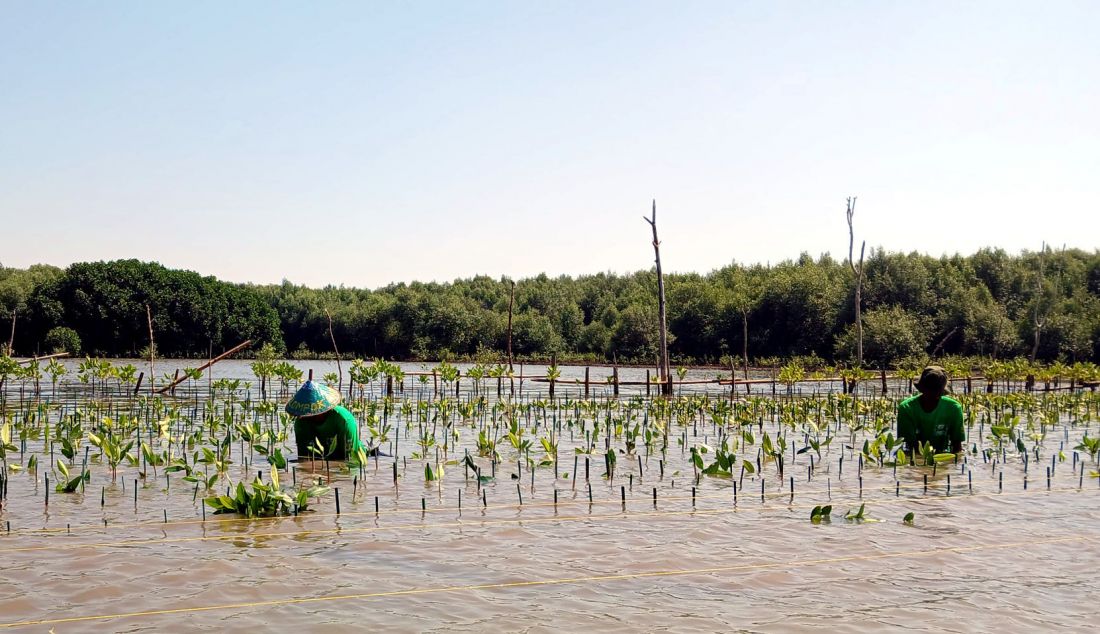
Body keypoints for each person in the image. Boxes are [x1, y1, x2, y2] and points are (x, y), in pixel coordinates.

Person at [285, 380, 364, 461]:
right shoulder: (301, 423)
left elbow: (351, 459)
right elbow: (304, 458)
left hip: (346, 455)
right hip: (322, 457)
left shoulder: (343, 420)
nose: (305, 417)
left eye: (311, 413)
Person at [897, 365, 964, 454]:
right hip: (916, 453)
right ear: (923, 389)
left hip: (942, 453)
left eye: (936, 392)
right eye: (929, 392)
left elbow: (957, 446)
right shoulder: (906, 408)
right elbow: (911, 445)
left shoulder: (954, 408)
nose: (932, 396)